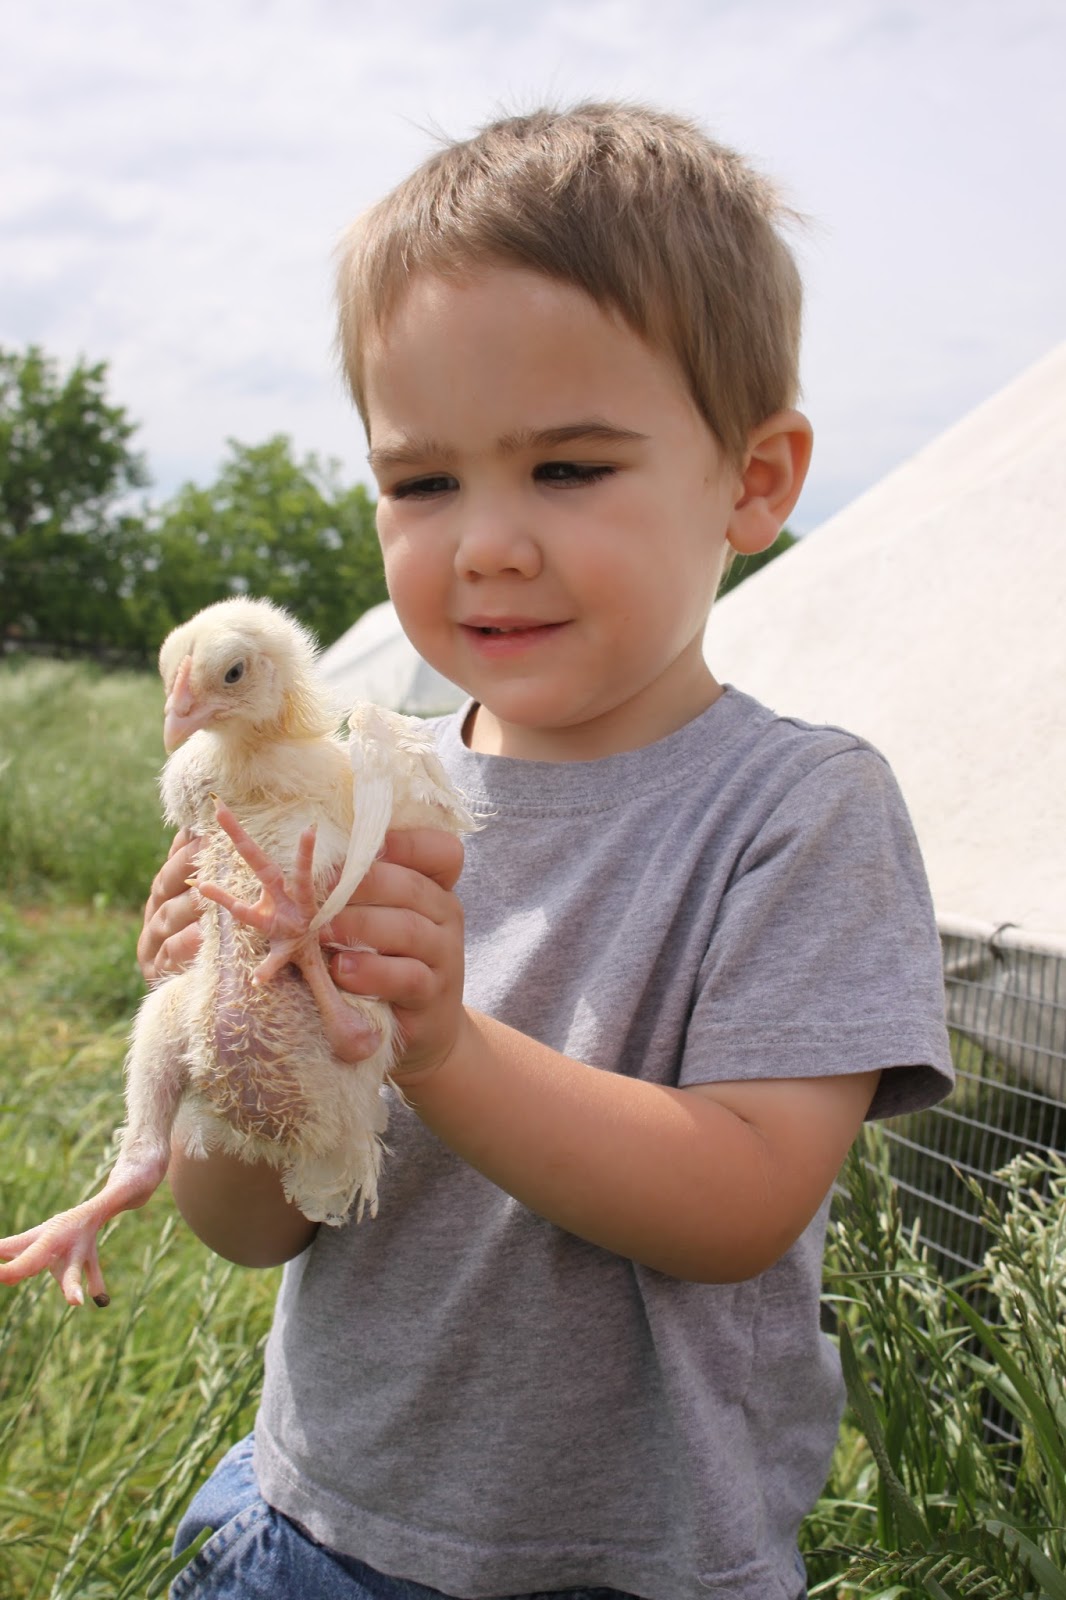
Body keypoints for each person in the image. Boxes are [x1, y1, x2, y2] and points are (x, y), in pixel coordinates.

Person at [140, 103, 953, 1600]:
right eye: (422, 482)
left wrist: (435, 1041)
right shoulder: (350, 798)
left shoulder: (794, 812)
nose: (485, 544)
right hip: (307, 1529)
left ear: (756, 482)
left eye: (568, 470)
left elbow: (736, 1204)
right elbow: (245, 1229)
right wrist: (232, 1027)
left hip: (625, 1567)